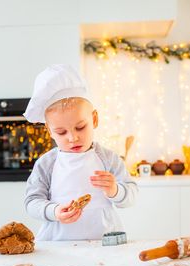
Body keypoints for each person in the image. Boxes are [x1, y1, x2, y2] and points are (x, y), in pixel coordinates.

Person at [24, 64, 137, 241]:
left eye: (80, 127)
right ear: (49, 131)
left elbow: (131, 196)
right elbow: (32, 202)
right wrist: (54, 211)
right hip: (58, 244)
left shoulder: (108, 158)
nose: (73, 138)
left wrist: (115, 190)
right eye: (61, 132)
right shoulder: (47, 164)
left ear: (94, 119)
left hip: (105, 242)